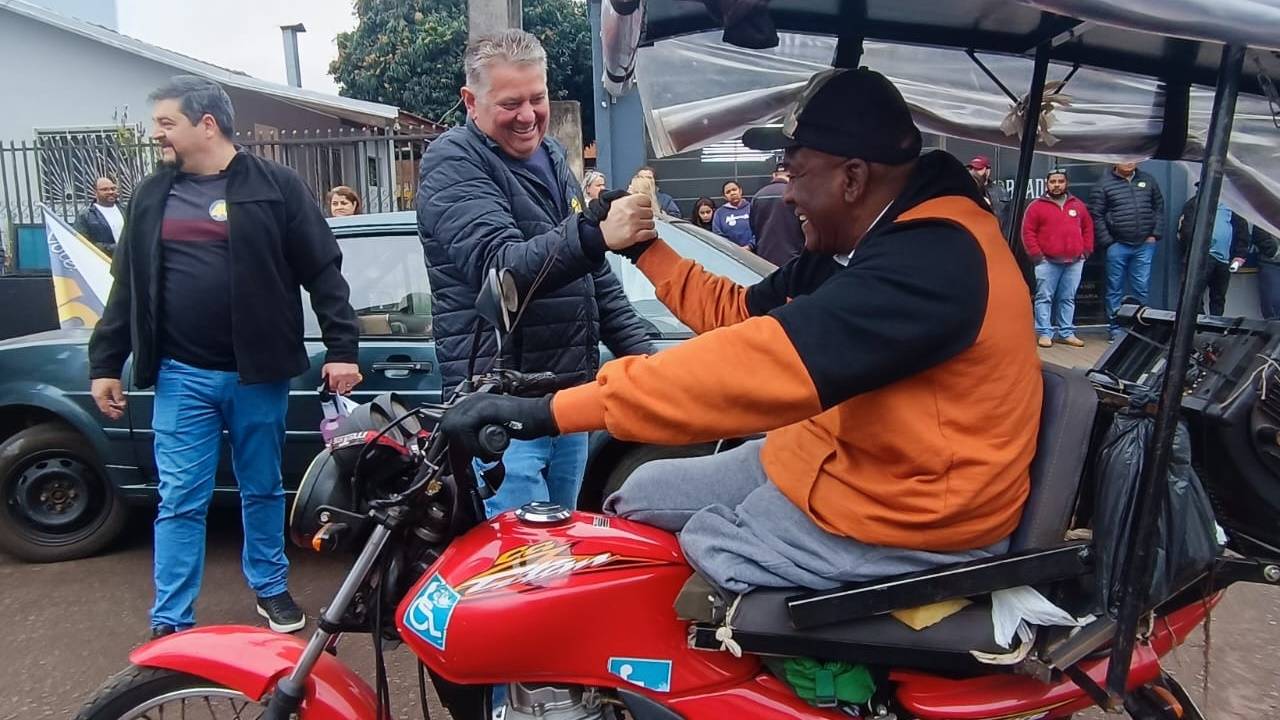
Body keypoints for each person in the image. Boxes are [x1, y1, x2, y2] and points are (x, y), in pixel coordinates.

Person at [441, 67, 1042, 595]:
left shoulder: (935, 259)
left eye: (796, 174)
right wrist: (647, 248)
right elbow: (741, 315)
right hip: (842, 464)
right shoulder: (867, 243)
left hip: (913, 517)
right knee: (638, 496)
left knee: (693, 554)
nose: (785, 198)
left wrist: (548, 411)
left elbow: (758, 364)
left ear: (853, 178)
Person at [87, 76, 363, 639]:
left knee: (261, 486)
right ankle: (171, 621)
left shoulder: (276, 186)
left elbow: (323, 273)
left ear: (206, 124)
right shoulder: (149, 196)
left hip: (256, 375)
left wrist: (342, 349)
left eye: (166, 123)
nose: (156, 134)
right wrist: (104, 363)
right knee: (180, 497)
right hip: (180, 376)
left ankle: (269, 587)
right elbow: (127, 288)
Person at [416, 29, 655, 519]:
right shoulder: (452, 162)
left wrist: (652, 364)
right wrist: (592, 234)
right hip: (500, 416)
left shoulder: (550, 158)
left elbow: (594, 281)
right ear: (471, 101)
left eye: (537, 98)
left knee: (557, 560)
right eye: (511, 103)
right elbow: (499, 267)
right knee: (519, 570)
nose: (528, 116)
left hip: (564, 407)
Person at [1090, 161, 1166, 340]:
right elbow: (1096, 214)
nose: (1129, 162)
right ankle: (1115, 328)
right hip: (1117, 245)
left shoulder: (1148, 180)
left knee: (1141, 287)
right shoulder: (1104, 184)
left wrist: (1154, 234)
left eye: (1132, 158)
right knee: (1114, 289)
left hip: (1144, 245)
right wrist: (1108, 242)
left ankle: (1139, 328)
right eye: (1124, 158)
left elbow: (1159, 208)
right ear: (1115, 161)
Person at [1022, 169, 1094, 348]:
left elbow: (1088, 228)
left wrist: (1085, 252)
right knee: (1044, 297)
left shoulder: (1078, 205)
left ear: (1066, 183)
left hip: (1075, 261)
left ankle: (1066, 333)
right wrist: (1037, 256)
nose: (1056, 185)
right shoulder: (1036, 206)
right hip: (1048, 261)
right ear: (1047, 184)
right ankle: (1045, 333)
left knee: (1068, 298)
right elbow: (1027, 232)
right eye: (1052, 181)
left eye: (1060, 181)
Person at [1177, 190, 1248, 316]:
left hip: (1224, 259)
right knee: (1194, 295)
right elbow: (1185, 231)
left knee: (1219, 297)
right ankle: (1199, 326)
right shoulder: (1194, 204)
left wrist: (1240, 255)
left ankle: (1217, 326)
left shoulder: (1233, 206)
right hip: (1200, 257)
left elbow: (1242, 231)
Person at [750, 162, 805, 265]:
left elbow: (754, 228)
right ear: (790, 176)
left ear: (774, 175)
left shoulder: (758, 196)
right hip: (793, 257)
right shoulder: (796, 194)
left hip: (764, 257)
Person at [75, 177, 126, 256]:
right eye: (105, 189)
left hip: (128, 261)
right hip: (104, 262)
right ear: (95, 192)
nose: (110, 192)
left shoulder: (126, 210)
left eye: (113, 189)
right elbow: (82, 243)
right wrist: (113, 248)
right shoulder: (86, 216)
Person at [967, 156, 1010, 228]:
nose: (974, 172)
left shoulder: (1000, 192)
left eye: (978, 169)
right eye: (971, 169)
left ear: (987, 171)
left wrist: (988, 206)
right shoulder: (965, 189)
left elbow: (1003, 220)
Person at [712, 180, 755, 249]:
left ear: (740, 191)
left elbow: (760, 231)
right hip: (731, 254)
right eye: (728, 192)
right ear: (724, 197)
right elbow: (718, 235)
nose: (732, 193)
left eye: (734, 190)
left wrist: (750, 246)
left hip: (754, 253)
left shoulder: (752, 208)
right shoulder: (719, 213)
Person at [1252, 225, 1280, 320]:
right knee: (1273, 304)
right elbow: (1259, 232)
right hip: (1272, 262)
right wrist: (1274, 251)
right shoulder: (1267, 210)